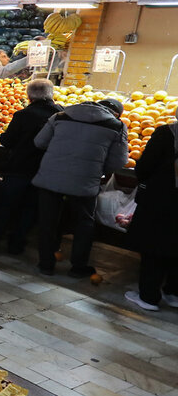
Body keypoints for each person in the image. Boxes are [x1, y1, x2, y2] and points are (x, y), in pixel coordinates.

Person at [32, 97, 128, 277]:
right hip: (85, 183)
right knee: (84, 223)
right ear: (116, 114)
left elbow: (39, 142)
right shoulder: (117, 126)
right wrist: (98, 169)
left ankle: (45, 264)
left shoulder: (60, 116)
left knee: (48, 221)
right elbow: (119, 161)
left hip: (50, 177)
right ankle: (78, 267)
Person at [0, 79, 60, 256]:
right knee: (29, 210)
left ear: (29, 96)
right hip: (43, 170)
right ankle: (16, 245)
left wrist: (2, 136)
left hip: (18, 169)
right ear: (51, 94)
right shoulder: (61, 115)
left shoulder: (23, 114)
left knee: (3, 208)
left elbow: (8, 141)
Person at [125, 107, 178, 311]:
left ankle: (148, 297)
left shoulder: (167, 133)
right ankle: (173, 293)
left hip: (163, 199)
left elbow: (144, 166)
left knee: (154, 246)